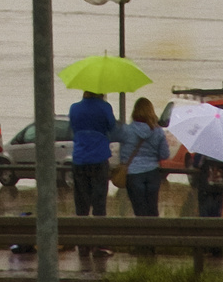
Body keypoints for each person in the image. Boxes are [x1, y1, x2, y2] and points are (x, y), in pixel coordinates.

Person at [69, 90, 120, 256]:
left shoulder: (74, 108)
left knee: (81, 204)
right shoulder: (104, 107)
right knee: (99, 202)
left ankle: (83, 245)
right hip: (98, 158)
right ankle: (99, 245)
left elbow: (73, 128)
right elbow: (112, 127)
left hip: (79, 159)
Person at [118, 97, 169, 218]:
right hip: (152, 173)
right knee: (152, 209)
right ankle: (154, 235)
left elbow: (123, 156)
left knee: (139, 210)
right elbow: (165, 155)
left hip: (133, 173)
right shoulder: (158, 132)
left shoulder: (127, 130)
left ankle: (141, 235)